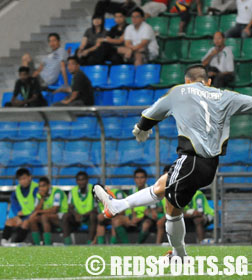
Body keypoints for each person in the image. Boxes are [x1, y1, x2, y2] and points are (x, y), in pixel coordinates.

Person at [94, 64, 252, 259]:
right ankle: (117, 206)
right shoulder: (225, 95)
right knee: (163, 184)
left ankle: (179, 256)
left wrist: (141, 128)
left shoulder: (179, 91)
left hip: (191, 159)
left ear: (186, 80)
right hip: (210, 166)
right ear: (208, 82)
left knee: (171, 209)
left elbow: (150, 114)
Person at [0, 168, 39, 246]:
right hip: (23, 215)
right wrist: (18, 214)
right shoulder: (17, 190)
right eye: (20, 179)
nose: (22, 181)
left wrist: (27, 217)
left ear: (29, 177)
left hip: (34, 215)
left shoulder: (36, 188)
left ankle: (16, 243)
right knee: (9, 221)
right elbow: (14, 204)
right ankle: (4, 242)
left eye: (24, 178)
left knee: (25, 223)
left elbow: (38, 205)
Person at [111, 168, 149, 243]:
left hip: (145, 217)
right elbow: (131, 206)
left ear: (146, 179)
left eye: (142, 177)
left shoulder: (150, 191)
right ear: (134, 179)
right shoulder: (132, 191)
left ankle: (138, 245)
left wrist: (139, 218)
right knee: (116, 221)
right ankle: (127, 245)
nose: (140, 180)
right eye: (137, 178)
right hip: (134, 216)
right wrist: (133, 218)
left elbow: (149, 210)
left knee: (146, 225)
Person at [28, 177, 68, 245]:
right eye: (40, 186)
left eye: (43, 186)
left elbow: (55, 210)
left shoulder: (56, 192)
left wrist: (38, 212)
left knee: (44, 217)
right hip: (48, 216)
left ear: (49, 185)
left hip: (61, 215)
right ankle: (37, 245)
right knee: (32, 219)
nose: (41, 188)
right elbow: (36, 210)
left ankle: (47, 245)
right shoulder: (39, 194)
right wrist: (42, 199)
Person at [62, 171, 97, 245]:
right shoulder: (73, 191)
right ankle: (67, 244)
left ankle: (89, 242)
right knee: (65, 216)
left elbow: (96, 209)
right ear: (76, 181)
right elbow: (70, 207)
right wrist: (76, 214)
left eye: (83, 179)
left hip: (88, 217)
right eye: (79, 180)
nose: (81, 182)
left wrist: (83, 215)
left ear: (87, 180)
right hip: (77, 218)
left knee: (93, 216)